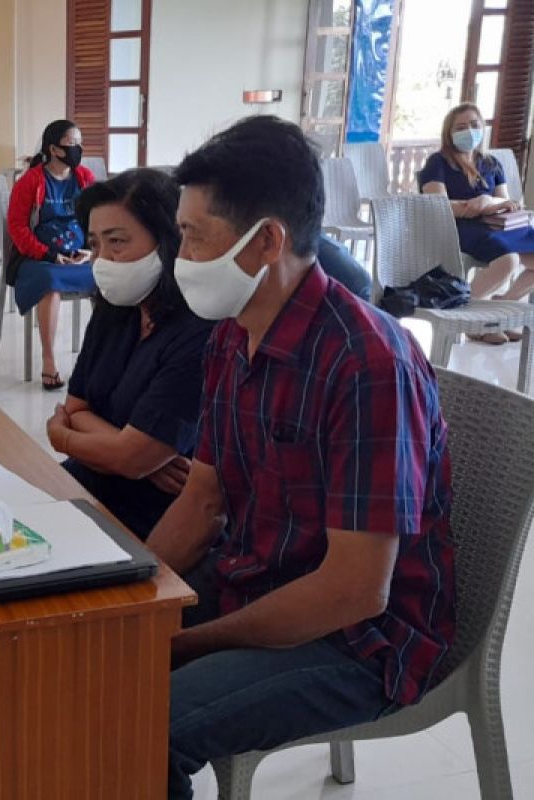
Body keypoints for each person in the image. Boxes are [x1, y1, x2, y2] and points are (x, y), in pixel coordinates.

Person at [145, 116, 455, 800]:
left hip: (360, 642)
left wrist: (190, 644)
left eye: (194, 235)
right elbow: (201, 500)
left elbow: (353, 591)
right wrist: (132, 604)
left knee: (141, 722)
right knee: (83, 661)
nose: (180, 254)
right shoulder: (232, 337)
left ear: (265, 243)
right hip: (256, 584)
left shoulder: (368, 364)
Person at [44, 169, 212, 538]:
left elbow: (118, 450)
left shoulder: (198, 331)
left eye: (117, 242)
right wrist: (133, 456)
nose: (102, 259)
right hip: (91, 481)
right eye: (95, 244)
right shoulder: (116, 309)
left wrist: (64, 439)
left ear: (167, 240)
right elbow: (76, 409)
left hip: (156, 516)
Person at [419, 102, 534, 343]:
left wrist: (485, 200)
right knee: (509, 260)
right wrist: (473, 207)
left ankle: (500, 308)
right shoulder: (438, 163)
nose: (469, 131)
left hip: (496, 223)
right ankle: (469, 317)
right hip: (460, 228)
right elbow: (438, 205)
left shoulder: (491, 163)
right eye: (461, 127)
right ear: (449, 134)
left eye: (474, 125)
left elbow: (505, 203)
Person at [7, 119, 97, 389]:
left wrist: (91, 250)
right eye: (72, 144)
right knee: (50, 283)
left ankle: (97, 361)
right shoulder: (31, 181)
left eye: (80, 143)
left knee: (108, 278)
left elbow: (99, 218)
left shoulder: (85, 178)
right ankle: (48, 361)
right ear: (54, 149)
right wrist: (49, 253)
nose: (78, 149)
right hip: (39, 258)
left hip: (78, 254)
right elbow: (17, 227)